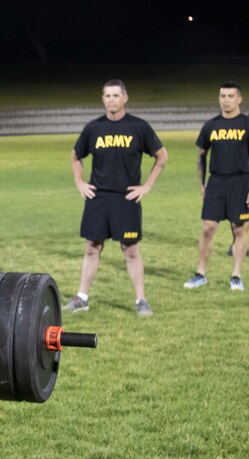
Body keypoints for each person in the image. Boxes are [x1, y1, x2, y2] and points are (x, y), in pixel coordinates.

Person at [65, 79, 168, 316]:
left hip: (126, 199)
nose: (111, 99)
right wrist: (79, 181)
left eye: (115, 95)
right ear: (103, 99)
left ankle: (141, 301)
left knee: (131, 250)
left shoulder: (139, 127)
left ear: (125, 98)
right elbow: (75, 156)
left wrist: (147, 186)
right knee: (92, 247)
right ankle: (82, 298)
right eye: (107, 96)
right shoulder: (93, 128)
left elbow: (162, 157)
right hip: (98, 198)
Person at [184, 81, 249, 291]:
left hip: (241, 182)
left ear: (239, 99)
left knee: (239, 229)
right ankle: (201, 273)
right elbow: (201, 156)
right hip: (217, 182)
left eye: (231, 96)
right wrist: (202, 185)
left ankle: (236, 276)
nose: (226, 100)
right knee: (208, 227)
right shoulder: (211, 126)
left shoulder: (246, 124)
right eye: (223, 96)